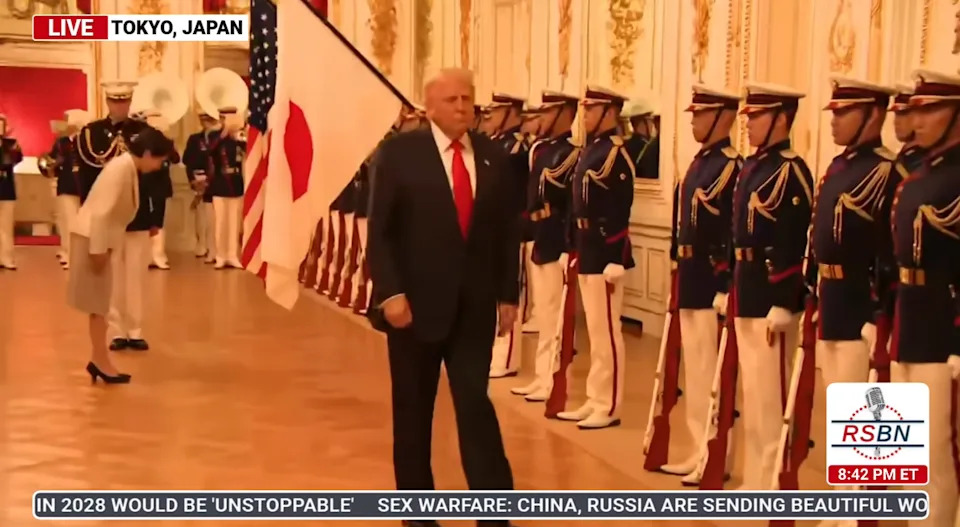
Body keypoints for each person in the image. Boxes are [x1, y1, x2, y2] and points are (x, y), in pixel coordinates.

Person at [366, 67, 518, 527]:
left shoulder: (494, 157)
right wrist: (390, 293)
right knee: (414, 414)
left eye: (468, 99)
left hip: (473, 308)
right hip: (413, 309)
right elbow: (381, 233)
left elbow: (505, 233)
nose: (462, 107)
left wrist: (508, 294)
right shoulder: (399, 154)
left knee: (475, 404)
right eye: (451, 99)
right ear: (430, 107)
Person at [732, 82, 814, 490]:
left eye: (757, 117)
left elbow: (791, 236)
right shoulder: (754, 167)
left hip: (770, 294)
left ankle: (773, 482)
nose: (748, 124)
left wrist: (784, 297)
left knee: (772, 397)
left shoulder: (790, 169)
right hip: (747, 288)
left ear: (781, 119)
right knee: (754, 394)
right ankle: (755, 476)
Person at [888, 68, 960, 527]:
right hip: (908, 319)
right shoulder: (922, 172)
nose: (920, 117)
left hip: (941, 323)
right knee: (908, 449)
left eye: (932, 107)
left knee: (937, 448)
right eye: (919, 107)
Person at [659, 84, 741, 481]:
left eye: (700, 113)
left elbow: (734, 231)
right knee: (695, 371)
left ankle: (716, 455)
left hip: (713, 283)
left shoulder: (730, 166)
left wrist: (726, 282)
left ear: (722, 117)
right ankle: (698, 448)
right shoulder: (699, 164)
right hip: (691, 279)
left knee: (713, 375)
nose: (692, 119)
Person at [67, 126, 173, 384]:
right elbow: (102, 213)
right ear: (148, 153)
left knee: (99, 306)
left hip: (97, 239)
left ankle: (99, 359)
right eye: (159, 159)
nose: (159, 166)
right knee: (97, 305)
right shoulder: (120, 169)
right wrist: (98, 252)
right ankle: (100, 361)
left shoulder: (126, 166)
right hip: (93, 240)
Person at [555, 84, 635, 430]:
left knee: (608, 334)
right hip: (587, 248)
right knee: (595, 333)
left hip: (606, 253)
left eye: (592, 109)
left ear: (610, 113)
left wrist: (616, 255)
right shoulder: (592, 151)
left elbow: (620, 207)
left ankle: (609, 404)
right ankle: (594, 398)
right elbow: (577, 205)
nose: (584, 115)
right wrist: (571, 245)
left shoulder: (616, 155)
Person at [510, 89, 580, 402]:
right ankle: (541, 377)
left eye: (548, 112)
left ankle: (553, 379)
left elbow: (573, 205)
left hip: (556, 238)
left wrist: (568, 246)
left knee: (556, 315)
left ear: (565, 113)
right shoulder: (541, 151)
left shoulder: (572, 153)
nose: (542, 118)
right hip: (539, 234)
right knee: (545, 314)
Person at [76, 81, 148, 203]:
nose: (120, 106)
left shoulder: (143, 131)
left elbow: (153, 175)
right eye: (115, 102)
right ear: (108, 102)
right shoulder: (92, 131)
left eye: (124, 101)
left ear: (130, 102)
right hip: (100, 200)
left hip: (134, 202)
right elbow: (85, 173)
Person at [45, 109, 90, 270]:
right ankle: (70, 254)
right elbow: (51, 160)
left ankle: (79, 256)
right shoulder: (62, 142)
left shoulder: (86, 140)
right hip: (66, 185)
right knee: (68, 223)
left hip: (83, 186)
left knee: (80, 225)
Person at [208, 106, 245, 269]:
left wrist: (240, 135)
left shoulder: (238, 137)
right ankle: (220, 255)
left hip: (235, 183)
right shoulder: (215, 136)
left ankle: (232, 254)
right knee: (221, 222)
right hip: (220, 183)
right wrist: (223, 135)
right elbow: (209, 151)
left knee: (234, 222)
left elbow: (248, 150)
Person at [183, 111, 219, 262]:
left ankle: (213, 247)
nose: (205, 123)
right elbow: (187, 160)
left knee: (213, 217)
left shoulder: (218, 139)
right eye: (202, 120)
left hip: (214, 181)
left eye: (208, 120)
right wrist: (192, 179)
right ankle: (201, 244)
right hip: (197, 179)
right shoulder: (194, 139)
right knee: (200, 216)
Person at [0, 114, 23, 270]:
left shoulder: (11, 143)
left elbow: (16, 158)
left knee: (6, 226)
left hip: (6, 188)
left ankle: (7, 258)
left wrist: (9, 146)